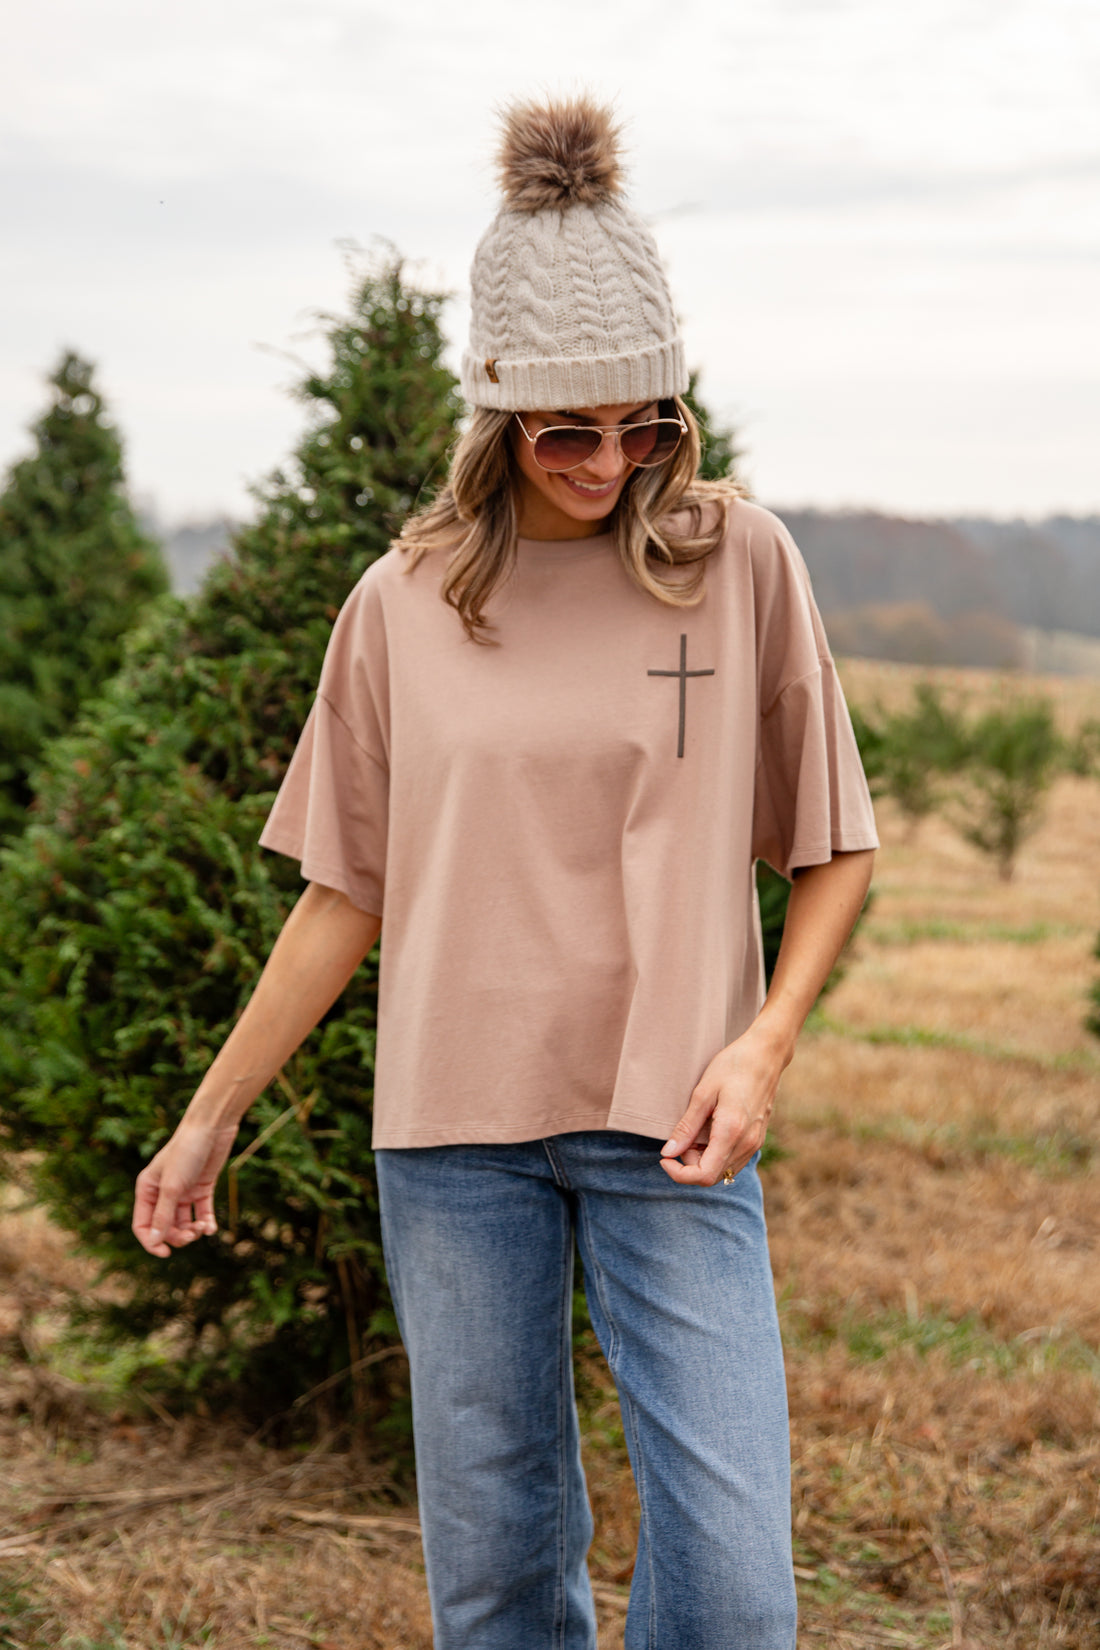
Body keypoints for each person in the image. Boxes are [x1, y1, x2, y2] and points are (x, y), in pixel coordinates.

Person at [133, 95, 878, 1650]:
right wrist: (208, 1122)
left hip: (674, 1125)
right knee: (494, 1580)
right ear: (495, 416)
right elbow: (347, 893)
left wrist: (765, 1042)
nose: (611, 463)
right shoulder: (402, 606)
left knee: (737, 1590)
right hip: (454, 1145)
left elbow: (833, 842)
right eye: (566, 431)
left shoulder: (738, 562)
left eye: (644, 424)